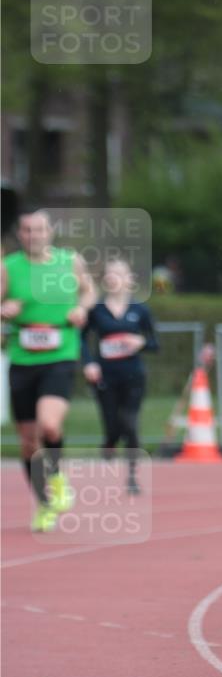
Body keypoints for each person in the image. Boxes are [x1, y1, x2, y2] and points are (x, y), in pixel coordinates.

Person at [1, 209, 96, 531]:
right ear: (19, 234)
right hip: (22, 357)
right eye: (27, 230)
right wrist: (5, 310)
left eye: (39, 229)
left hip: (60, 352)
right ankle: (43, 503)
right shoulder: (8, 267)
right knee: (28, 442)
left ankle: (56, 479)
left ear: (50, 232)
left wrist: (81, 310)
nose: (33, 235)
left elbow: (88, 291)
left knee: (49, 426)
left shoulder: (69, 260)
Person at [81, 258, 158, 494]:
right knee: (113, 427)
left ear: (130, 280)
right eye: (110, 273)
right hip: (105, 377)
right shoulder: (97, 310)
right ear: (105, 280)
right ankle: (108, 444)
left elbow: (154, 343)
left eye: (119, 273)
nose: (114, 277)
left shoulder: (140, 310)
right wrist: (89, 363)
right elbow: (81, 339)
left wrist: (140, 341)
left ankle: (132, 477)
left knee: (131, 424)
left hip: (133, 376)